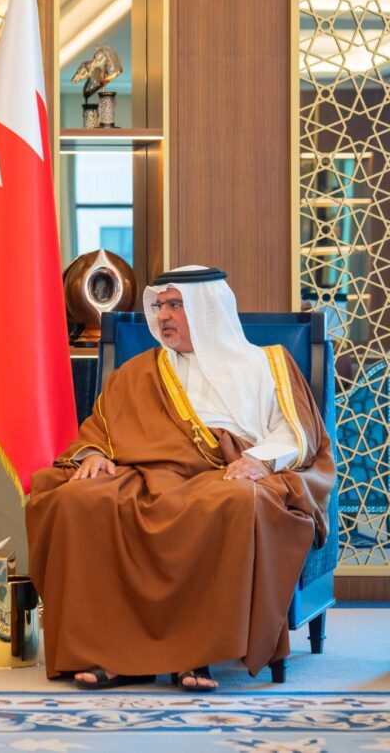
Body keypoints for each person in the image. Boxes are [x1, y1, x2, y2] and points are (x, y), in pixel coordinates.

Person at [25, 266, 335, 692]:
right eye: (160, 306)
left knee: (235, 502)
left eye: (175, 305)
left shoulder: (268, 364)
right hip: (144, 471)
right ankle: (115, 655)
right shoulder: (140, 371)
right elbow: (100, 428)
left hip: (224, 471)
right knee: (76, 499)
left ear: (208, 309)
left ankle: (195, 656)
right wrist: (93, 453)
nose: (163, 315)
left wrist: (261, 461)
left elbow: (300, 432)